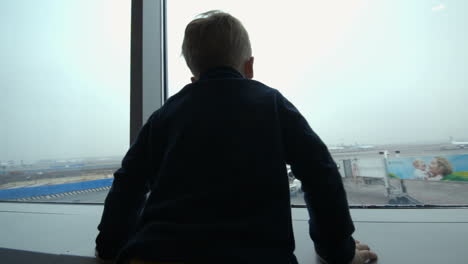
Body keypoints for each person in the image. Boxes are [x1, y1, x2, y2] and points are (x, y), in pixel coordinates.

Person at [95, 10, 378, 264]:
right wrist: (338, 251)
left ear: (193, 76)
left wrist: (109, 246)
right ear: (250, 67)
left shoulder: (166, 114)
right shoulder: (271, 104)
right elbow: (321, 173)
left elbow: (128, 182)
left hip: (155, 254)